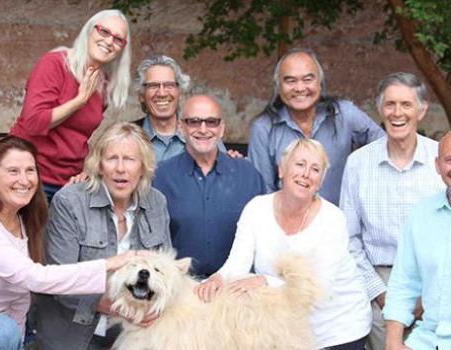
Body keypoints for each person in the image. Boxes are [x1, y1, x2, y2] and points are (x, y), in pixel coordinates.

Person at [197, 138, 372, 350]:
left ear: (321, 181)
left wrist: (265, 281)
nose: (306, 174)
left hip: (337, 329)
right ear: (281, 170)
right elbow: (238, 262)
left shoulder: (333, 219)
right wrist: (218, 278)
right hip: (285, 330)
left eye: (315, 169)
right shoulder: (256, 208)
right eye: (299, 164)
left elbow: (319, 287)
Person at [0, 136, 138, 350]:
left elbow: (19, 306)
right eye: (13, 171)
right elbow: (36, 277)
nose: (24, 180)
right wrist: (109, 264)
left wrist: (72, 194)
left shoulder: (26, 221)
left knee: (7, 330)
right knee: (2, 330)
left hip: (7, 334)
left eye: (30, 170)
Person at [35, 122, 172, 350]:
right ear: (98, 165)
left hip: (136, 330)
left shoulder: (156, 201)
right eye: (111, 159)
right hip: (74, 331)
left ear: (143, 167)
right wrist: (118, 307)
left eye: (129, 159)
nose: (120, 168)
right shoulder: (70, 201)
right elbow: (59, 279)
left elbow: (164, 270)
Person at [340, 72, 444, 350]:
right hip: (377, 286)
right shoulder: (358, 165)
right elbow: (348, 240)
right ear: (380, 109)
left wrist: (428, 298)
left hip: (435, 279)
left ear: (421, 110)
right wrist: (383, 296)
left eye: (406, 105)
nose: (397, 113)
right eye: (390, 104)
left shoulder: (442, 162)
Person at [10, 9, 131, 201]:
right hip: (29, 176)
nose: (109, 41)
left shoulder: (104, 83)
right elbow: (33, 122)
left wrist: (87, 169)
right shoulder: (55, 63)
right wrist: (79, 101)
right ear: (89, 31)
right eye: (104, 32)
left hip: (69, 184)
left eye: (118, 39)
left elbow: (78, 137)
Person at [248, 47, 384, 205]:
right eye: (290, 81)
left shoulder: (345, 114)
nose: (299, 88)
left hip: (341, 223)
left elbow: (386, 146)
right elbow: (262, 191)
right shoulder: (264, 128)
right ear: (279, 86)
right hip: (286, 223)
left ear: (320, 83)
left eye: (307, 80)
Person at [153, 95, 264, 278]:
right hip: (181, 289)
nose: (203, 129)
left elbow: (264, 236)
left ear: (221, 129)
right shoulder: (160, 177)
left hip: (235, 289)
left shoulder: (248, 175)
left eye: (211, 122)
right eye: (194, 122)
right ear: (181, 128)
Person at [383, 130, 451, 350]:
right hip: (428, 339)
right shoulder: (421, 214)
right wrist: (394, 343)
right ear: (437, 165)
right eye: (449, 160)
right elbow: (403, 283)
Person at [133, 54, 190, 162]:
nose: (162, 93)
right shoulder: (126, 136)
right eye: (153, 86)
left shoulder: (201, 133)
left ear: (179, 92)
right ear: (141, 95)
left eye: (169, 85)